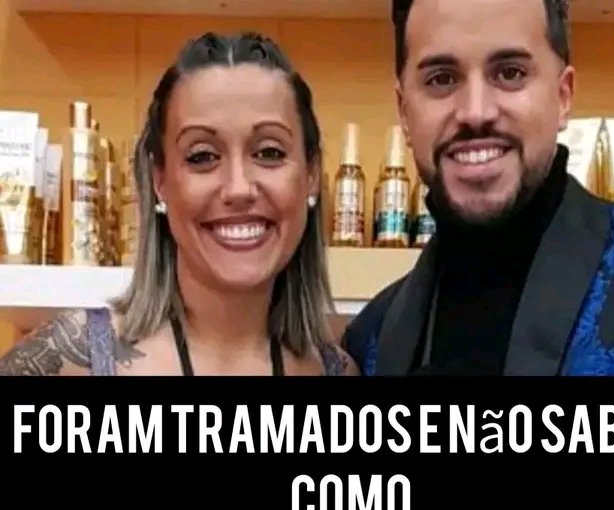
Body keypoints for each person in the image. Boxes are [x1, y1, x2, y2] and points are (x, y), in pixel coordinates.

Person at [341, 0, 614, 376]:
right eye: (441, 79)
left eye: (510, 73)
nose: (475, 112)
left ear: (563, 96)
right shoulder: (371, 337)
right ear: (404, 112)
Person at [0, 31, 358, 376]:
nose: (238, 188)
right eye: (202, 156)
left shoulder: (335, 370)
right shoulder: (72, 361)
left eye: (269, 152)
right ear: (160, 181)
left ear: (312, 174)